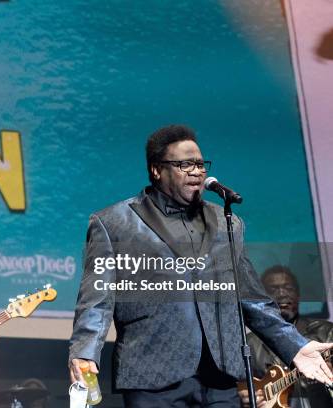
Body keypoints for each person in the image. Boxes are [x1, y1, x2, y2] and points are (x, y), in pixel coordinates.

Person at [68, 125, 333, 407]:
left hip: (219, 378)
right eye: (184, 164)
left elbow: (253, 300)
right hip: (153, 376)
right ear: (157, 170)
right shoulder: (114, 223)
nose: (196, 171)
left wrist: (296, 347)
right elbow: (97, 298)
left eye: (199, 164)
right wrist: (85, 351)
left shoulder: (226, 222)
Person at [238, 265, 333, 408]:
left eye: (289, 288)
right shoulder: (249, 344)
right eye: (273, 289)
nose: (282, 294)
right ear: (262, 299)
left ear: (298, 295)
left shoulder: (326, 332)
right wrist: (243, 397)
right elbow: (237, 387)